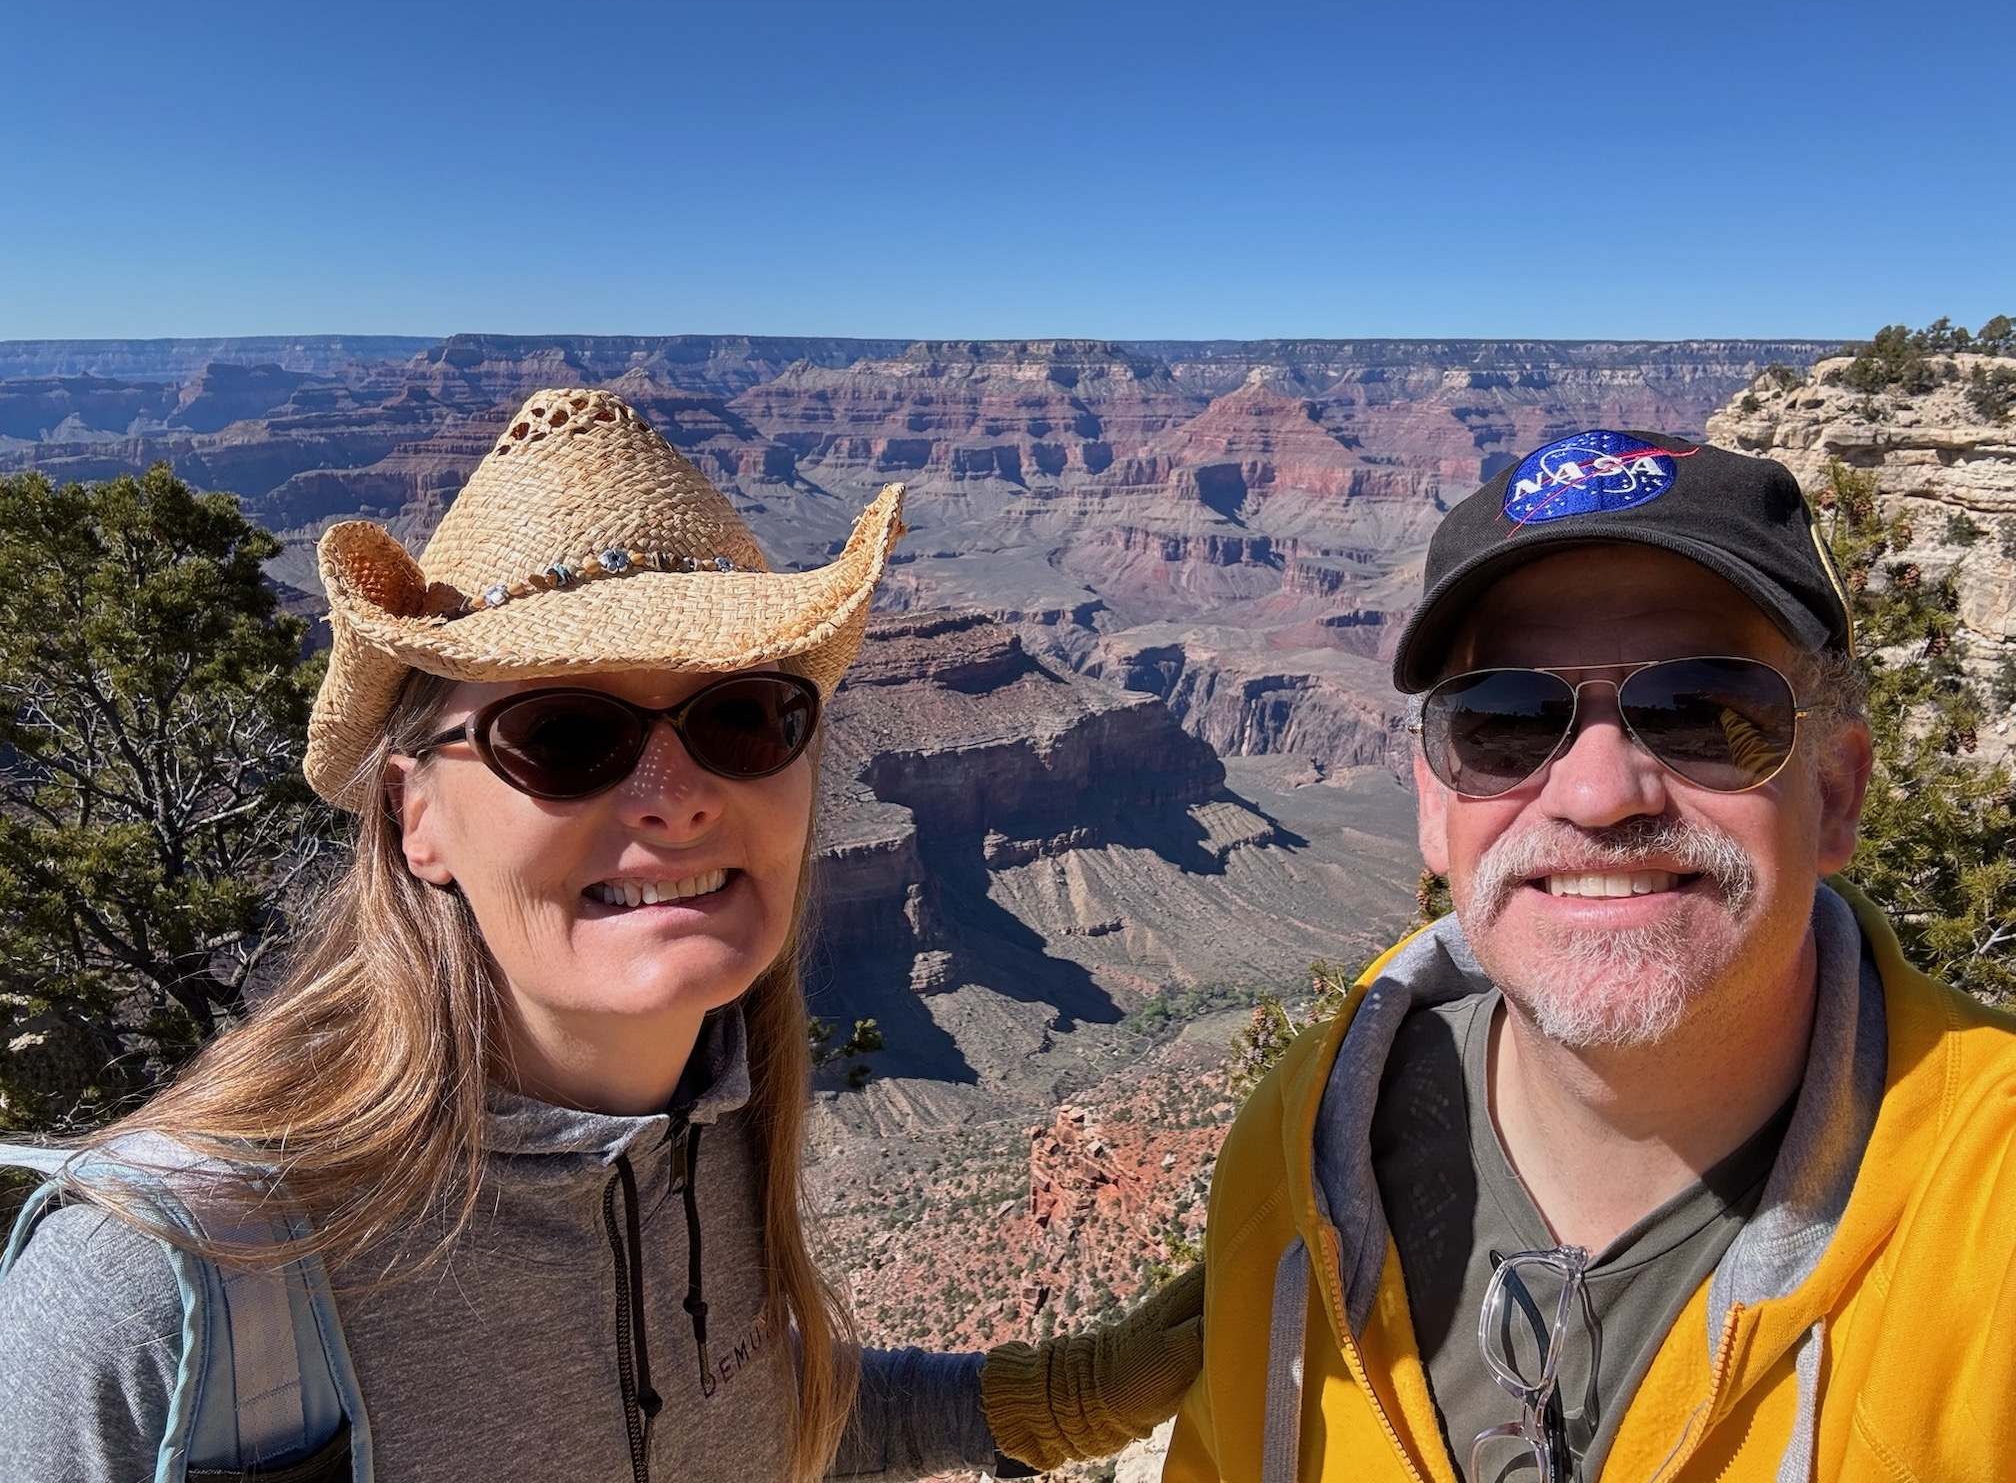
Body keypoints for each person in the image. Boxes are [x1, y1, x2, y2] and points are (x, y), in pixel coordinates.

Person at [0, 387, 1201, 1482]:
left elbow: (747, 1428)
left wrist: (1063, 1400)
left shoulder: (717, 1128)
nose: (673, 797)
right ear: (416, 815)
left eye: (739, 716)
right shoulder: (157, 1292)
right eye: (566, 734)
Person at [1165, 429, 2016, 1482]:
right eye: (1510, 719)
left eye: (1703, 711)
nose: (1598, 793)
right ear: (1436, 807)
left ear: (1835, 794)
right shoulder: (1294, 1155)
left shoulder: (1992, 1220)